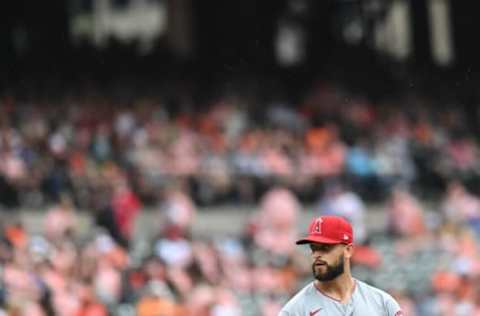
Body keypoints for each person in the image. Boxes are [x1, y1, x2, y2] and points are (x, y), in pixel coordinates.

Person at [279, 215, 403, 316]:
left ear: (348, 251)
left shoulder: (382, 303)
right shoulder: (295, 310)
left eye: (325, 248)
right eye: (314, 248)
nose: (316, 255)